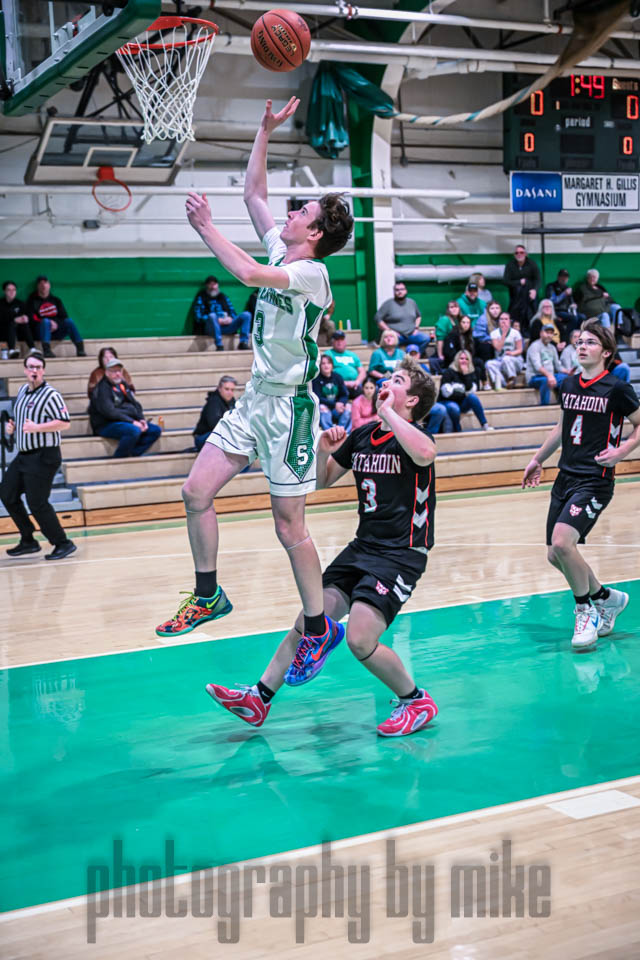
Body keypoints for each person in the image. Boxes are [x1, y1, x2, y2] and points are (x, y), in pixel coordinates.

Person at [155, 96, 354, 661]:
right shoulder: (282, 250)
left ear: (314, 234)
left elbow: (244, 272)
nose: (290, 213)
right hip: (253, 400)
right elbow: (254, 194)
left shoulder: (312, 274)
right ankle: (208, 595)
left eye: (302, 212)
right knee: (195, 492)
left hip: (290, 409)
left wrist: (205, 228)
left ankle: (316, 627)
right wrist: (264, 130)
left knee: (289, 526)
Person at [205, 359, 439, 737]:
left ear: (412, 400)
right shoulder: (362, 436)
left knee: (360, 638)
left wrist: (387, 415)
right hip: (362, 547)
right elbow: (322, 481)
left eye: (397, 380)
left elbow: (426, 454)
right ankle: (258, 698)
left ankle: (415, 701)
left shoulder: (414, 437)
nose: (386, 381)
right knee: (311, 619)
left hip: (401, 554)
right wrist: (322, 451)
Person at [522, 320, 640, 649]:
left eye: (590, 342)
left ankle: (585, 610)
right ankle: (606, 598)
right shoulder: (569, 384)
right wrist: (537, 459)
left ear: (606, 352)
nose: (582, 347)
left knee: (563, 543)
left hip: (595, 480)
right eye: (579, 342)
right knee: (554, 554)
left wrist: (622, 451)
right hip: (565, 476)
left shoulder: (617, 388)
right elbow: (561, 428)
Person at [0, 352, 76, 560]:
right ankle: (28, 540)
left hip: (44, 455)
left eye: (38, 367)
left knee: (37, 502)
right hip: (24, 455)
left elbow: (64, 422)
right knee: (7, 494)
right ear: (25, 370)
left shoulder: (51, 395)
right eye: (31, 367)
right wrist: (12, 427)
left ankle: (62, 543)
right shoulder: (22, 391)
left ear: (43, 371)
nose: (34, 371)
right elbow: (23, 419)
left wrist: (38, 428)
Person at [89, 358, 162, 457]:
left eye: (119, 371)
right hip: (106, 424)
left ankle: (133, 453)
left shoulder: (122, 384)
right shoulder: (102, 388)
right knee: (134, 430)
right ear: (107, 373)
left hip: (125, 421)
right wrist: (132, 422)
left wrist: (141, 419)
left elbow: (135, 404)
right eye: (114, 371)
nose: (117, 374)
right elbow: (110, 412)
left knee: (155, 430)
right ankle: (119, 458)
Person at [25, 276, 86, 358]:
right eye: (41, 283)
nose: (43, 285)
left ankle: (80, 349)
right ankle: (47, 351)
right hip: (40, 332)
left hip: (56, 331)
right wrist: (49, 322)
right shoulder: (32, 301)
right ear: (37, 286)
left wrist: (55, 323)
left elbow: (64, 316)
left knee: (69, 321)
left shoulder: (56, 300)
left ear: (49, 285)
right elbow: (31, 319)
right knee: (45, 322)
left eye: (45, 283)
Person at [191, 275, 252, 350]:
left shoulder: (223, 297)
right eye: (210, 284)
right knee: (212, 316)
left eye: (214, 284)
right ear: (207, 285)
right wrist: (217, 320)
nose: (213, 287)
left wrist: (230, 319)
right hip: (211, 328)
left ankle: (243, 342)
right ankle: (219, 345)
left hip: (227, 326)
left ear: (217, 285)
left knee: (246, 315)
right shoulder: (201, 297)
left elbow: (233, 312)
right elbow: (198, 317)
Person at [438, 351, 493, 431]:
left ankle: (485, 424)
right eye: (461, 358)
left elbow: (471, 390)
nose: (464, 361)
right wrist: (463, 394)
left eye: (466, 359)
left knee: (473, 397)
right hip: (446, 401)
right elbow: (446, 394)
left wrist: (465, 375)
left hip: (461, 402)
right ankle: (457, 428)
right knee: (454, 407)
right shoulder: (448, 372)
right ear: (457, 359)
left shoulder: (470, 373)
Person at [374, 281, 429, 354]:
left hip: (411, 334)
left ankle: (416, 356)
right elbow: (377, 319)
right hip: (396, 336)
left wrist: (416, 328)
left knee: (425, 338)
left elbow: (418, 316)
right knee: (390, 343)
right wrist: (390, 331)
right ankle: (398, 358)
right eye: (397, 290)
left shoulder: (412, 302)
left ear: (406, 291)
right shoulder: (388, 304)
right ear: (394, 292)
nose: (400, 292)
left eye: (402, 289)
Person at [526, 324, 572, 405]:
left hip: (550, 376)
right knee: (546, 380)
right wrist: (549, 376)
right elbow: (537, 366)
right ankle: (544, 406)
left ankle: (562, 404)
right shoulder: (534, 346)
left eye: (551, 333)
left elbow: (558, 366)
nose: (549, 335)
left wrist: (568, 372)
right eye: (547, 332)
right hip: (535, 377)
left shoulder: (552, 348)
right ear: (541, 333)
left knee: (567, 379)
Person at [192, 376, 238, 452]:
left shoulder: (232, 402)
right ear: (219, 389)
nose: (230, 392)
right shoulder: (214, 402)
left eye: (232, 390)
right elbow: (214, 424)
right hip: (203, 437)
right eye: (227, 389)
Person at [502, 244, 541, 333]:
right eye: (517, 253)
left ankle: (530, 332)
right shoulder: (510, 264)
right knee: (515, 315)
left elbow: (538, 279)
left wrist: (535, 290)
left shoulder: (532, 263)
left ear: (525, 254)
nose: (519, 254)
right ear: (514, 255)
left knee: (531, 314)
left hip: (529, 295)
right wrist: (518, 282)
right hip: (515, 296)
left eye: (521, 252)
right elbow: (505, 281)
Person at [486, 311, 524, 390]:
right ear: (498, 321)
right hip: (500, 360)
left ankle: (512, 378)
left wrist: (512, 353)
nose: (503, 321)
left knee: (506, 358)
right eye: (501, 319)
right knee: (489, 364)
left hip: (515, 361)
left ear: (510, 321)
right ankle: (503, 384)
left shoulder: (516, 333)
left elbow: (520, 350)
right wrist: (503, 334)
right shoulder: (494, 333)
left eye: (506, 319)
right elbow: (498, 348)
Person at [312, 354, 351, 431]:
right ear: (319, 366)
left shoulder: (337, 377)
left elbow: (345, 394)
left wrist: (341, 403)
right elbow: (318, 397)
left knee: (348, 407)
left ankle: (343, 431)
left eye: (328, 363)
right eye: (323, 363)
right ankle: (329, 432)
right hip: (325, 407)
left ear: (332, 365)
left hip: (337, 408)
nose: (326, 365)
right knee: (322, 407)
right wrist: (334, 404)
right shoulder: (316, 379)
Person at [324, 329, 366, 397]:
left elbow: (362, 371)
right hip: (337, 384)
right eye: (337, 340)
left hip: (356, 384)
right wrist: (344, 383)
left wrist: (357, 382)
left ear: (345, 341)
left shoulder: (352, 354)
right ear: (333, 342)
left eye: (341, 339)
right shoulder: (328, 354)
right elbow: (326, 372)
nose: (339, 342)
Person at [0, 281, 35, 358]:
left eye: (14, 290)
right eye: (9, 290)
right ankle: (11, 350)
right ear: (5, 291)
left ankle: (33, 349)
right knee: (11, 323)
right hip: (3, 332)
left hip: (19, 333)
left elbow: (28, 316)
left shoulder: (20, 303)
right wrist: (14, 320)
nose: (12, 292)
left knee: (24, 324)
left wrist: (26, 318)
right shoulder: (1, 304)